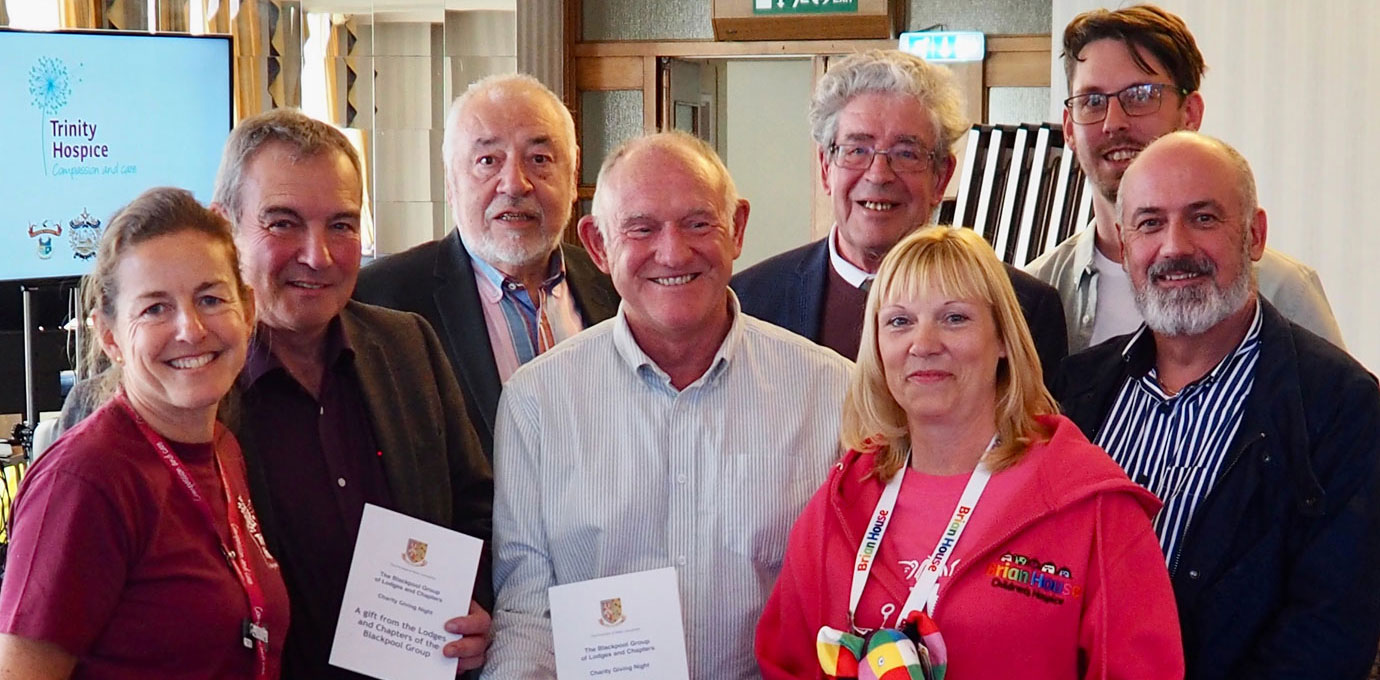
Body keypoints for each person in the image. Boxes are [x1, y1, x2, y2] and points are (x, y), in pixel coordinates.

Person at [480, 131, 853, 679]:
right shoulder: (537, 402)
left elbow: (849, 603)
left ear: (738, 229)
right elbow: (528, 614)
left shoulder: (830, 392)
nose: (673, 252)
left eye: (699, 222)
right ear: (600, 245)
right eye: (642, 228)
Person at [756, 225, 1182, 679]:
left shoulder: (1090, 505)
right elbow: (786, 662)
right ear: (877, 348)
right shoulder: (840, 503)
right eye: (899, 321)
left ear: (1002, 340)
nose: (924, 344)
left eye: (954, 318)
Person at [1056, 131, 1380, 679]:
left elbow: (1328, 637)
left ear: (1254, 235)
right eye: (1150, 223)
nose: (1175, 247)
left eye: (1203, 218)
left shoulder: (1344, 410)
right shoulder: (1073, 393)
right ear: (1124, 242)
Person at [208, 109, 495, 678]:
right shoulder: (185, 385)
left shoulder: (408, 347)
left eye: (341, 224)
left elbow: (476, 510)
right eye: (283, 223)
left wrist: (476, 606)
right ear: (225, 228)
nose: (318, 255)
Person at [0, 187, 290, 678]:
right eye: (155, 308)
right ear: (110, 336)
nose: (191, 329)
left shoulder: (222, 447)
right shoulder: (84, 480)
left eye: (210, 298)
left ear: (247, 308)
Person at [731, 49, 1067, 380]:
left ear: (941, 176)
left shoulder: (1023, 308)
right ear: (825, 167)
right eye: (857, 150)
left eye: (906, 153)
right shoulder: (751, 302)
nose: (878, 174)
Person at [1025, 4, 1344, 352]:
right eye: (1092, 101)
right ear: (1070, 129)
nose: (1113, 122)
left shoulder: (1281, 289)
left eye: (1141, 95)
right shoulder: (1034, 295)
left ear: (1190, 113)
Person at [355, 73, 618, 459]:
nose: (514, 184)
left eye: (539, 159)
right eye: (487, 160)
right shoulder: (380, 301)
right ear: (450, 183)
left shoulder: (616, 285)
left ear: (573, 178)